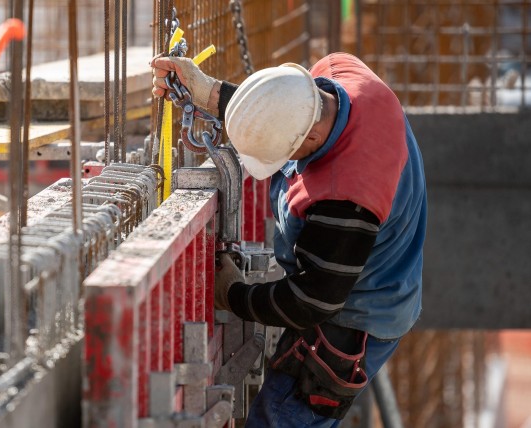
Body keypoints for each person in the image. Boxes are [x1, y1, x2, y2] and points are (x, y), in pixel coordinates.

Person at [151, 53, 426, 427]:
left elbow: (313, 300)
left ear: (312, 137)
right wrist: (209, 93)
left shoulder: (345, 198)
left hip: (355, 317)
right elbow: (280, 106)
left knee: (279, 417)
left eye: (286, 155)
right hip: (358, 276)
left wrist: (233, 294)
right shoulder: (337, 74)